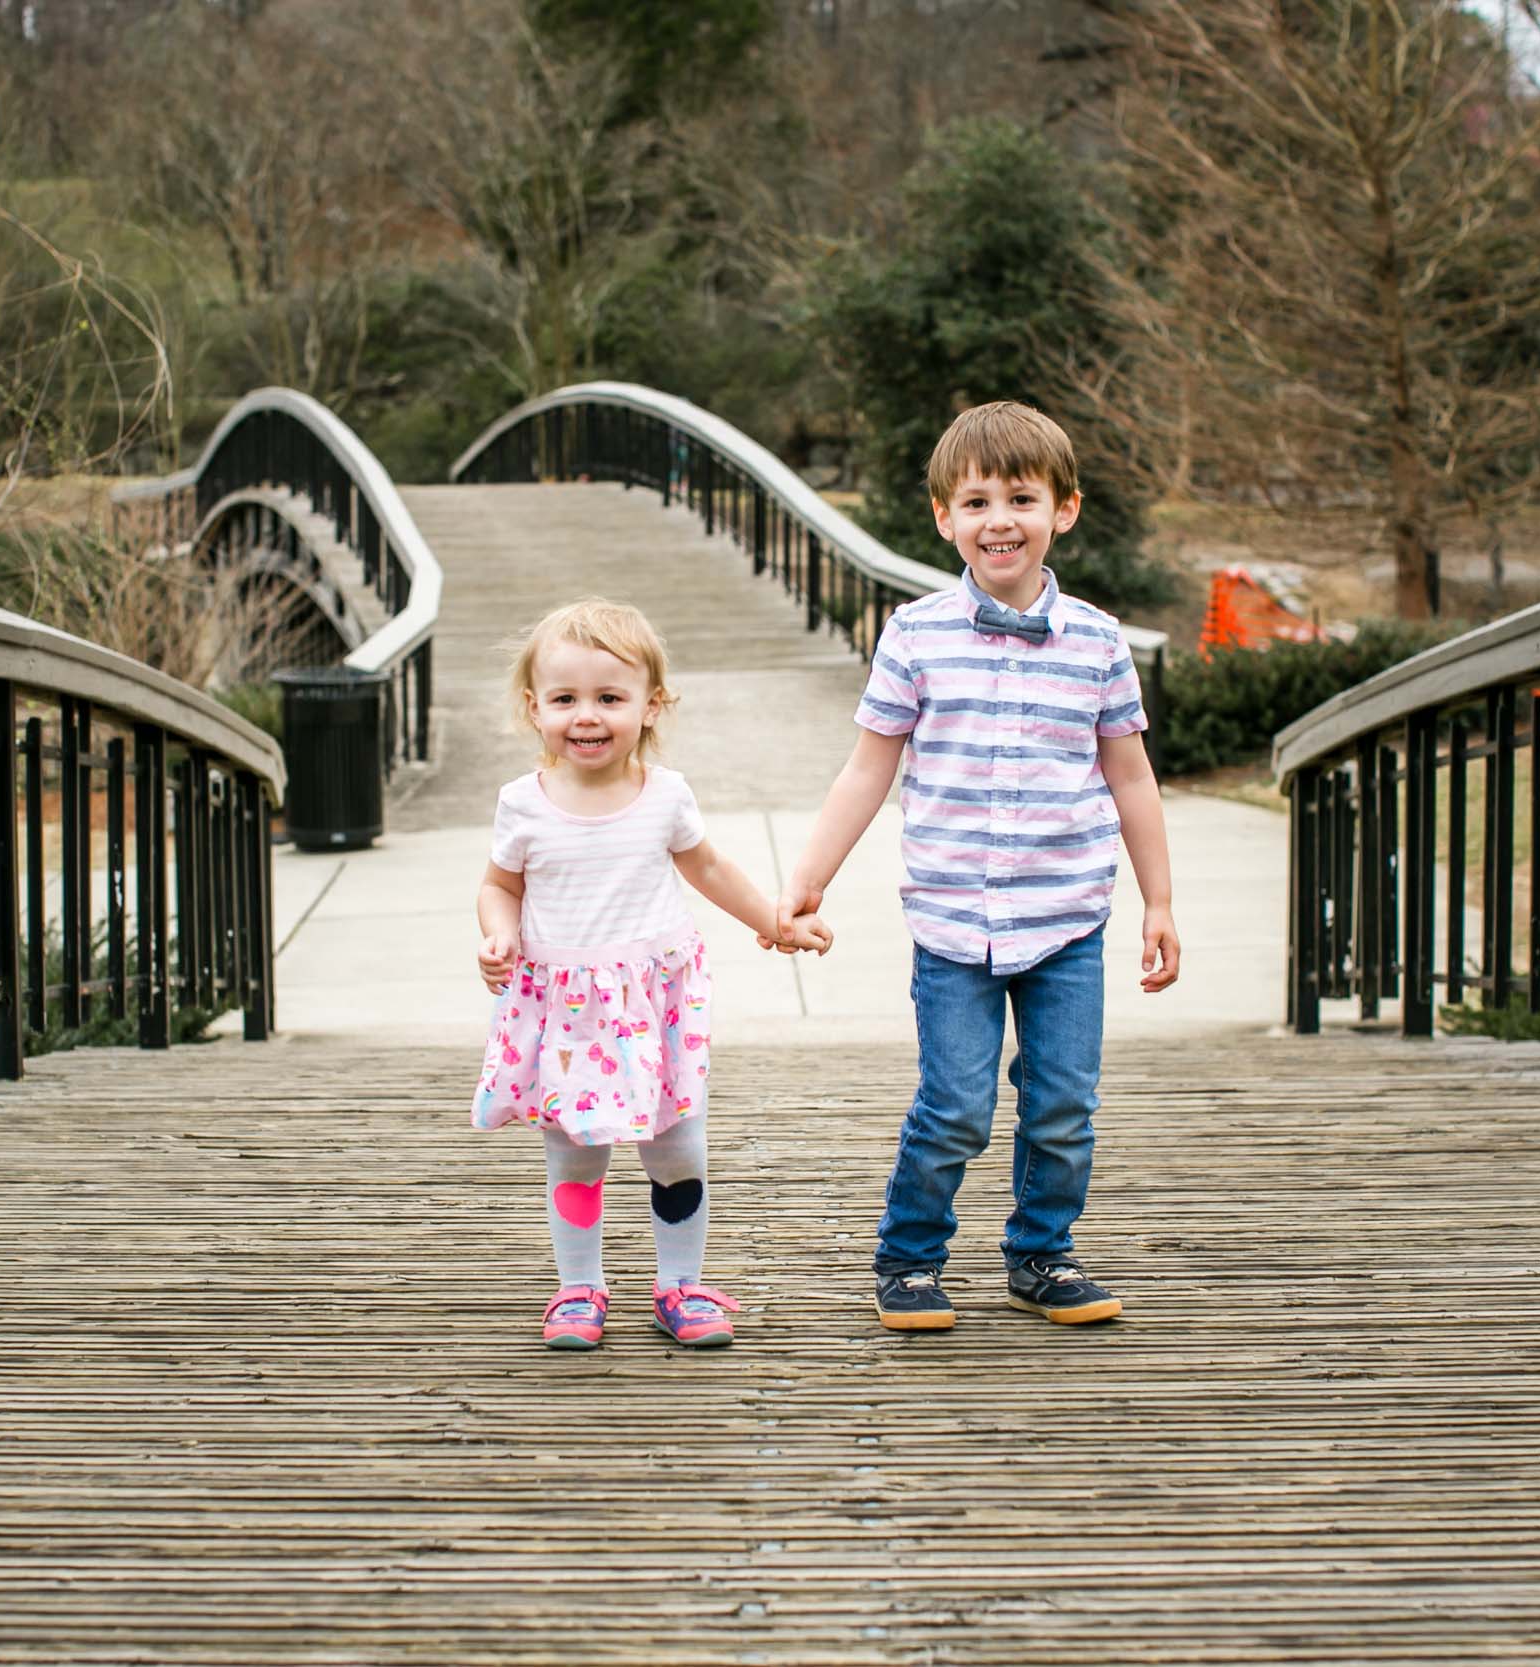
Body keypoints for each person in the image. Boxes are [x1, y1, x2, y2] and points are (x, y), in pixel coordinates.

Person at [776, 401, 1180, 1332]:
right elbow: (869, 766)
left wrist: (1159, 901)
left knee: (1063, 1103)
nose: (1000, 519)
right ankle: (910, 1258)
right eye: (977, 500)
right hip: (954, 919)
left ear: (1064, 510)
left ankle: (1041, 1255)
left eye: (1023, 498)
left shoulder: (1099, 642)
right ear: (943, 518)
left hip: (1069, 917)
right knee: (955, 1099)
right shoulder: (915, 636)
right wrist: (810, 876)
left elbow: (1131, 775)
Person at [474, 598, 829, 1351]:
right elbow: (500, 884)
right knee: (577, 1151)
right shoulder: (523, 805)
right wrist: (498, 933)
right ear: (534, 708)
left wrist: (774, 920)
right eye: (566, 699)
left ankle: (680, 1285)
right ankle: (578, 1289)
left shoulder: (665, 794)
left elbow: (707, 866)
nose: (588, 716)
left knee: (676, 1148)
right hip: (568, 1009)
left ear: (651, 704)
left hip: (652, 1004)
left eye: (610, 697)